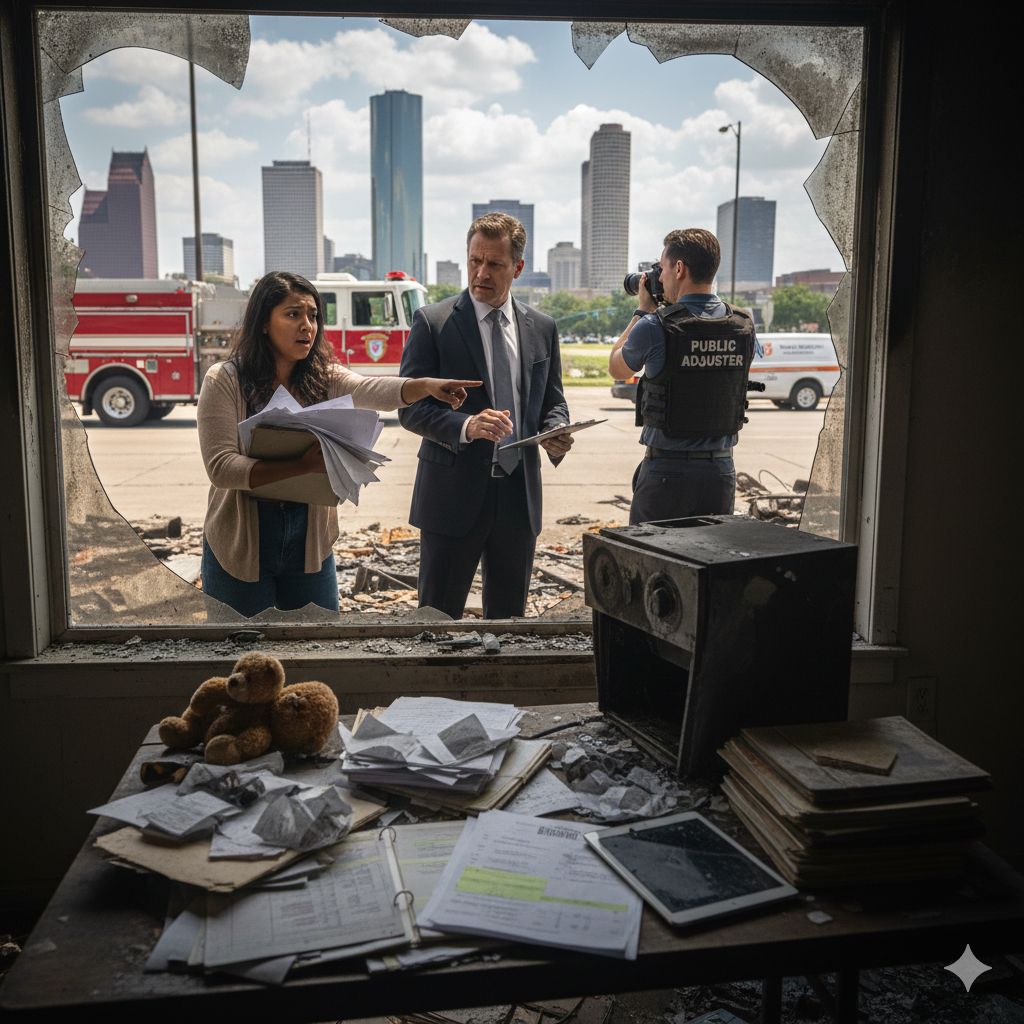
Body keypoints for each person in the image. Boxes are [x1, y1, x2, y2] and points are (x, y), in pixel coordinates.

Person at [198, 271, 480, 618]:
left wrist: (424, 386)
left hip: (310, 540)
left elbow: (369, 389)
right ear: (264, 323)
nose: (307, 326)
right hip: (241, 541)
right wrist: (302, 466)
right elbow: (221, 468)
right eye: (293, 314)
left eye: (313, 315)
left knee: (318, 642)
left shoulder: (322, 376)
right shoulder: (224, 379)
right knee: (244, 645)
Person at [398, 212, 574, 620]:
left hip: (518, 497)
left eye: (494, 263)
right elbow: (410, 409)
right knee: (436, 623)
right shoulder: (433, 322)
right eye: (475, 260)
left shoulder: (542, 327)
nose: (481, 273)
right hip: (452, 496)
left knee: (510, 626)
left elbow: (552, 400)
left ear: (518, 267)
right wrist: (465, 426)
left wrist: (555, 430)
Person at [608, 228, 762, 526]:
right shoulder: (743, 324)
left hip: (667, 472)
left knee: (650, 553)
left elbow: (617, 368)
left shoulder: (654, 326)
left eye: (662, 268)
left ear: (679, 269)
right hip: (721, 472)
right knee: (709, 553)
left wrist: (642, 311)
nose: (661, 277)